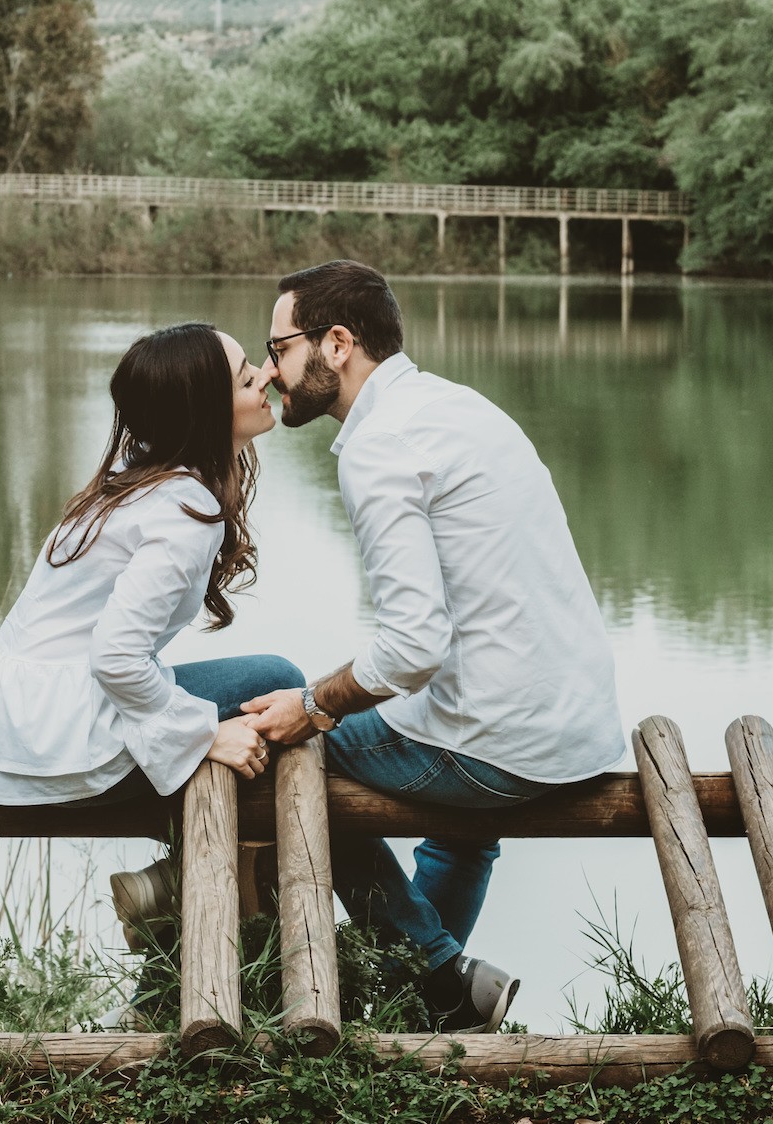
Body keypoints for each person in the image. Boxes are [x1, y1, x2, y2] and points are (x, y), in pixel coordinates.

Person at [243, 260, 623, 1034]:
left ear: (337, 343)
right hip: (576, 731)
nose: (273, 371)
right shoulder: (454, 406)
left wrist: (313, 705)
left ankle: (435, 976)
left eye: (278, 347)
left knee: (295, 754)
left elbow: (414, 645)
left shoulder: (379, 445)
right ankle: (427, 1015)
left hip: (501, 745)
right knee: (439, 798)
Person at [0, 321, 302, 949]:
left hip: (11, 720)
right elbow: (114, 657)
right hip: (56, 731)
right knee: (279, 689)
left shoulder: (141, 476)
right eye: (248, 375)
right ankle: (416, 959)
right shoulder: (186, 511)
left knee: (268, 703)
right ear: (205, 412)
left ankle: (174, 888)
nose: (267, 374)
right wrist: (203, 733)